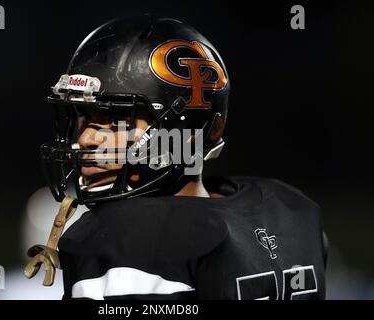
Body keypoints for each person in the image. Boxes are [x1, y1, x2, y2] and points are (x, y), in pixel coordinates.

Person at [27, 15, 327, 300]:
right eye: (83, 116)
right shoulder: (290, 211)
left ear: (191, 133)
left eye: (116, 120)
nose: (87, 138)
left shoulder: (129, 239)